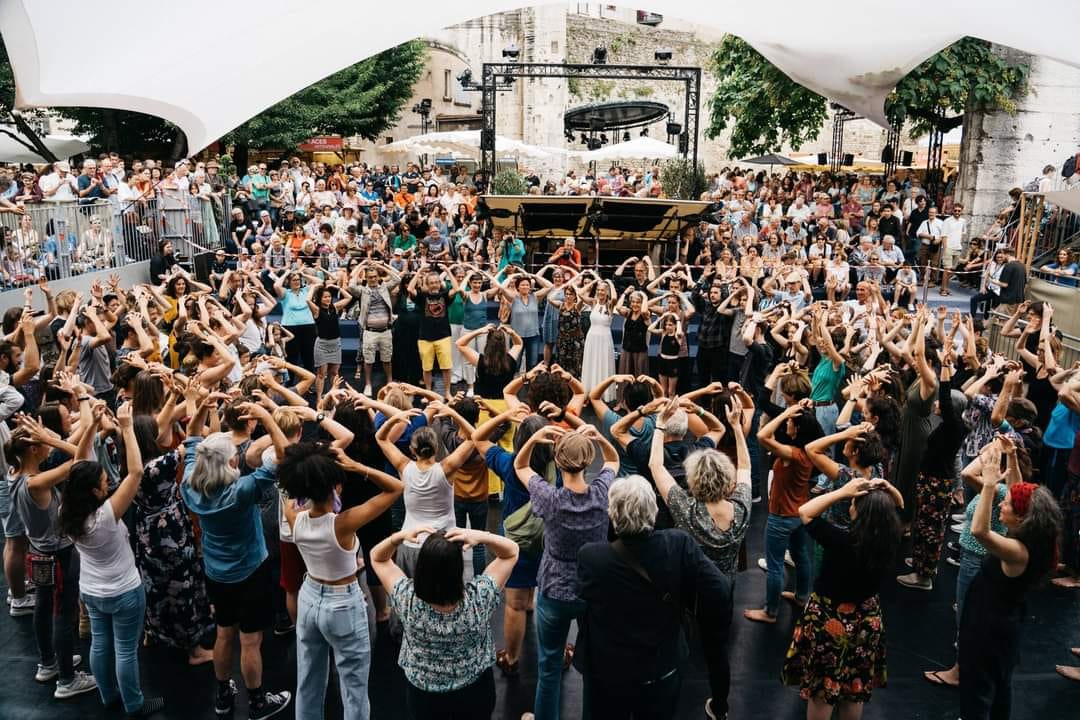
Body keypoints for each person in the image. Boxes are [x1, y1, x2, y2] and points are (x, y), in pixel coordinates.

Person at [576, 474, 730, 719]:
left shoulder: (591, 557)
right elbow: (720, 588)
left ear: (612, 513)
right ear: (654, 510)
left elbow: (582, 599)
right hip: (661, 665)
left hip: (609, 670)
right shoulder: (678, 545)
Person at [180, 397, 292, 719]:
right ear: (230, 464)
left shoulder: (191, 487)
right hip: (251, 571)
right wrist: (268, 417)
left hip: (216, 572)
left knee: (224, 632)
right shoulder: (241, 491)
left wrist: (201, 406)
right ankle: (257, 702)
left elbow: (191, 436)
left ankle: (223, 694)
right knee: (251, 640)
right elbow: (283, 457)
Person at [279, 441, 403, 720]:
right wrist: (358, 466)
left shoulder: (294, 517)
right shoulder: (343, 523)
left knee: (308, 680)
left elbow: (288, 480)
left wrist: (309, 462)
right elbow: (396, 487)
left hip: (309, 598)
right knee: (354, 687)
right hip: (342, 603)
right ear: (334, 486)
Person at [57, 402, 165, 717]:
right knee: (126, 651)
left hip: (91, 590)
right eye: (104, 481)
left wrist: (90, 425)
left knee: (100, 646)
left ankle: (107, 696)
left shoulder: (69, 512)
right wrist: (128, 427)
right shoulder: (105, 515)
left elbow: (78, 464)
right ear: (93, 491)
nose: (108, 482)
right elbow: (136, 471)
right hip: (124, 592)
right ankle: (134, 704)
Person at [515, 424, 618, 720]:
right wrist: (599, 437)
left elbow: (520, 465)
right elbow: (612, 462)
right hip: (593, 590)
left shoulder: (549, 499)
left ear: (557, 462)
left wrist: (534, 438)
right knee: (593, 666)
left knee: (548, 667)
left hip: (554, 590)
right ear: (588, 461)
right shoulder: (601, 493)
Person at [782, 477, 904, 720]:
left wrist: (841, 492)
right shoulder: (889, 539)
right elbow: (900, 505)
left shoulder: (841, 541)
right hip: (867, 621)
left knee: (823, 689)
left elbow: (805, 512)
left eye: (852, 504)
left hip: (830, 622)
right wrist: (889, 489)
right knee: (854, 687)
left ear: (858, 511)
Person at [959, 439, 1063, 719]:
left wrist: (991, 484)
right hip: (1001, 623)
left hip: (988, 627)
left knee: (977, 690)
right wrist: (1012, 457)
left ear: (1020, 519)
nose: (1001, 506)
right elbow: (1017, 491)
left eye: (1005, 505)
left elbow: (980, 530)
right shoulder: (1029, 536)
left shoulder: (1017, 551)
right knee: (999, 685)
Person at [370, 525, 519, 720]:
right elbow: (511, 552)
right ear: (458, 569)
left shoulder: (407, 600)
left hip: (424, 697)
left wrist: (398, 537)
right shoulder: (479, 598)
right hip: (474, 692)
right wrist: (481, 536)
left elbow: (377, 557)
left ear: (421, 568)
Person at [9, 407, 100, 698]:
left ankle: (48, 662)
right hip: (59, 555)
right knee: (64, 614)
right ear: (34, 450)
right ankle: (67, 680)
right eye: (45, 442)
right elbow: (83, 459)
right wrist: (57, 439)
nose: (51, 443)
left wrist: (35, 432)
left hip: (36, 552)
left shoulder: (15, 474)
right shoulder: (37, 482)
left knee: (44, 608)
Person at [375, 404, 478, 575]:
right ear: (436, 448)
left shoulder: (403, 466)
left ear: (411, 449)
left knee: (412, 595)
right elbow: (473, 437)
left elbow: (381, 438)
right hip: (444, 545)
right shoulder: (447, 468)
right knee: (444, 598)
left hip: (412, 542)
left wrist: (395, 417)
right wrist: (454, 413)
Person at [745, 399, 823, 624]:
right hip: (799, 513)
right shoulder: (810, 451)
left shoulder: (793, 454)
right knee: (801, 556)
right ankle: (801, 596)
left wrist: (787, 412)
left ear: (797, 429)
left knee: (775, 565)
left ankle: (770, 611)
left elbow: (762, 436)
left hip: (781, 516)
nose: (786, 424)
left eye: (789, 422)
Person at [306, 282, 352, 405]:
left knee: (334, 373)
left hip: (335, 344)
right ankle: (319, 399)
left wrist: (337, 287)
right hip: (322, 345)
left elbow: (349, 297)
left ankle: (333, 395)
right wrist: (313, 287)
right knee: (321, 374)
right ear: (320, 299)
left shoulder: (335, 308)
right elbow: (307, 300)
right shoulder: (316, 310)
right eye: (325, 297)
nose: (328, 299)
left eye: (329, 296)